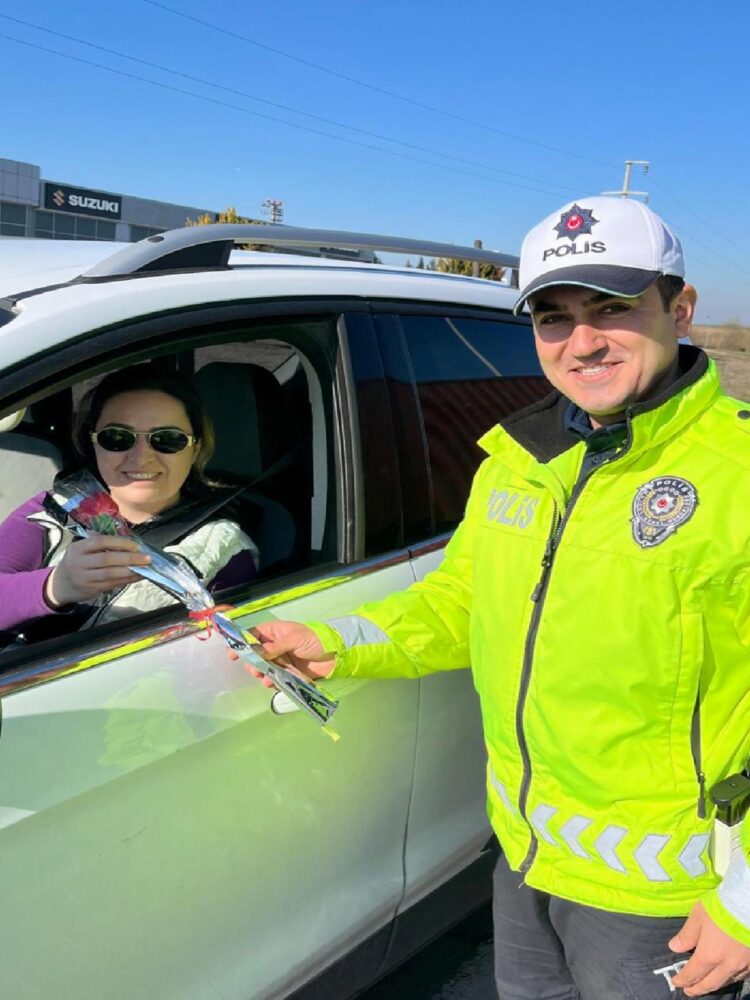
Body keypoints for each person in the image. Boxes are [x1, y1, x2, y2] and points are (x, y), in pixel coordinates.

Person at [243, 197, 750, 999]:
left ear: (680, 310)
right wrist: (337, 642)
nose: (581, 342)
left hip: (671, 898)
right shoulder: (518, 461)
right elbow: (460, 603)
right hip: (525, 858)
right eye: (553, 318)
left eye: (612, 309)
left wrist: (745, 898)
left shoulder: (738, 470)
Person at [0, 362, 258, 642]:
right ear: (93, 442)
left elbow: (219, 654)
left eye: (168, 439)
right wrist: (54, 587)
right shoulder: (57, 508)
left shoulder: (223, 548)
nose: (141, 457)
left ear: (195, 449)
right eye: (117, 437)